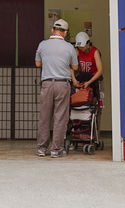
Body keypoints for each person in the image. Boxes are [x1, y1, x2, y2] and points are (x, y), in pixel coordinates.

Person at [35, 18, 78, 158]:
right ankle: (56, 150)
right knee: (60, 118)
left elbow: (37, 64)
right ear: (65, 33)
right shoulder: (69, 47)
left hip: (47, 84)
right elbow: (75, 67)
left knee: (45, 117)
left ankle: (41, 149)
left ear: (52, 30)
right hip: (62, 84)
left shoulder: (42, 44)